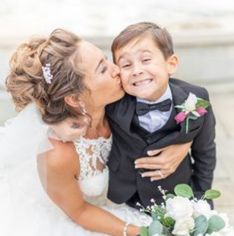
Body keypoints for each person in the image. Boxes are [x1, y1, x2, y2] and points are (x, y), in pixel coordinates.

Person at [0, 28, 191, 236]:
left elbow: (186, 102)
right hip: (83, 219)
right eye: (102, 69)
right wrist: (142, 232)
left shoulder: (119, 99)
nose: (117, 69)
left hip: (134, 203)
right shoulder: (57, 154)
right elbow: (79, 212)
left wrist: (183, 144)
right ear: (74, 98)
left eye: (106, 59)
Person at [106, 22, 216, 209]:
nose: (136, 70)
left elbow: (205, 152)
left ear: (170, 64)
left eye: (146, 60)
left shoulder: (195, 99)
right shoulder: (112, 104)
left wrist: (201, 198)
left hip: (178, 196)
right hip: (128, 197)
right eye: (126, 64)